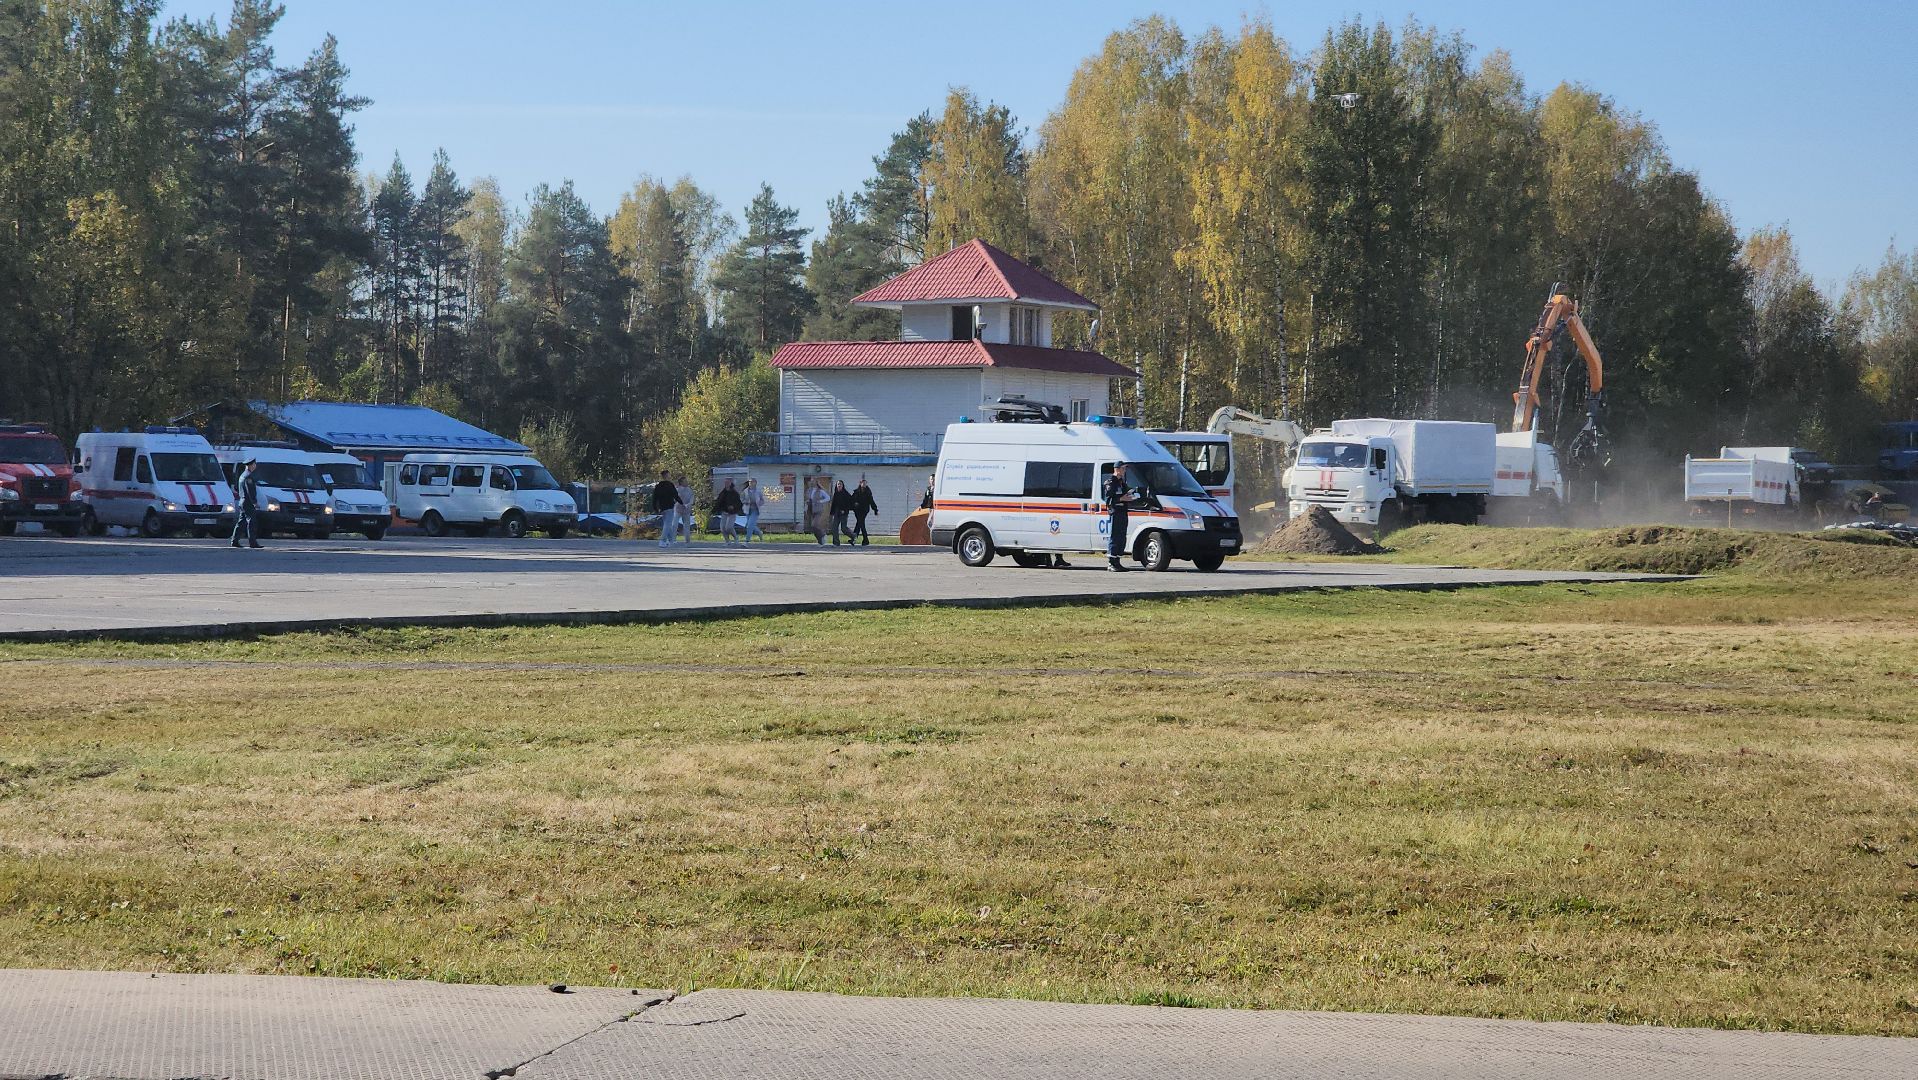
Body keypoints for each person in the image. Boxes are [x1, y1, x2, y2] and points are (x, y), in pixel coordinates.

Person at [1102, 461, 1137, 572]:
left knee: (1121, 537)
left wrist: (1131, 495)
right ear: (1117, 469)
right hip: (1115, 512)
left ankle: (1117, 561)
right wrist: (1122, 499)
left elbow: (1124, 494)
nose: (1124, 471)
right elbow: (1108, 500)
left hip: (1123, 511)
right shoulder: (1110, 482)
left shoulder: (1121, 482)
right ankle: (1111, 563)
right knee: (1115, 536)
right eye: (1123, 469)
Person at [229, 459, 264, 549]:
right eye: (254, 464)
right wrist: (254, 502)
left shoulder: (242, 475)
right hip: (248, 502)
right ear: (251, 465)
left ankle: (234, 540)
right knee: (251, 522)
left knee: (241, 522)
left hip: (242, 501)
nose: (255, 466)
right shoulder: (248, 476)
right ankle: (252, 542)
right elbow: (250, 491)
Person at [650, 469, 681, 549]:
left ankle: (671, 540)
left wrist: (655, 508)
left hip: (662, 507)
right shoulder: (670, 485)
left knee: (667, 524)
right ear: (667, 476)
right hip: (669, 506)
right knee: (668, 524)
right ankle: (662, 541)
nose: (670, 476)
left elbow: (654, 498)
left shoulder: (658, 486)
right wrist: (682, 503)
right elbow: (675, 495)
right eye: (669, 475)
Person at [713, 478, 744, 545]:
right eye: (725, 483)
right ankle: (727, 541)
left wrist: (733, 507)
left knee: (729, 527)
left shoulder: (734, 493)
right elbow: (719, 502)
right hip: (724, 512)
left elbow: (739, 503)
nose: (726, 484)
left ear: (730, 483)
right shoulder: (723, 493)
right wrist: (714, 510)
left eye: (727, 483)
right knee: (722, 528)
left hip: (732, 513)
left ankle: (736, 538)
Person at [850, 478, 878, 546]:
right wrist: (854, 504)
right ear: (860, 483)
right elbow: (851, 500)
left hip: (864, 511)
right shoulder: (856, 492)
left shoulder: (868, 492)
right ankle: (864, 540)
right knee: (860, 524)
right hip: (857, 510)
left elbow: (871, 502)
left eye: (865, 483)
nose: (864, 484)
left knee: (860, 523)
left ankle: (855, 539)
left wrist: (875, 509)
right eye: (863, 483)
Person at [828, 480, 856, 545]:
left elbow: (850, 503)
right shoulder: (836, 493)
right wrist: (831, 513)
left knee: (843, 528)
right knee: (834, 528)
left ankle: (853, 535)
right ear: (836, 486)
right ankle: (836, 543)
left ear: (842, 486)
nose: (839, 485)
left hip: (844, 513)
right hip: (836, 512)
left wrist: (845, 510)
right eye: (838, 484)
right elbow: (834, 504)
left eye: (840, 484)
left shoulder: (846, 494)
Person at [807, 478, 832, 544]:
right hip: (811, 509)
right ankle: (820, 540)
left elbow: (828, 498)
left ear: (816, 482)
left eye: (813, 481)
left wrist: (820, 501)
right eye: (811, 481)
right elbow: (809, 499)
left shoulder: (820, 491)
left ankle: (823, 535)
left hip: (818, 510)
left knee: (814, 525)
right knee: (814, 527)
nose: (812, 483)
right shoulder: (810, 490)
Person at [675, 476, 696, 543]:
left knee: (687, 525)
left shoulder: (689, 490)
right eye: (685, 481)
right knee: (674, 524)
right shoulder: (677, 490)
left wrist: (688, 505)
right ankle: (672, 539)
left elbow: (692, 499)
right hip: (678, 509)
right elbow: (675, 499)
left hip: (686, 510)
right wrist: (681, 504)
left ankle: (687, 540)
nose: (687, 482)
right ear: (681, 482)